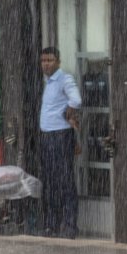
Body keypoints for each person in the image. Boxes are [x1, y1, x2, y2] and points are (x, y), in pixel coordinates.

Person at [38, 46, 82, 239]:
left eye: (50, 60)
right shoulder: (47, 82)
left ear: (58, 62)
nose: (46, 64)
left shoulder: (65, 79)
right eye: (43, 61)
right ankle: (51, 225)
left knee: (65, 181)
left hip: (61, 136)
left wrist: (68, 114)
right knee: (50, 182)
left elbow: (76, 100)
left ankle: (70, 226)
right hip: (47, 136)